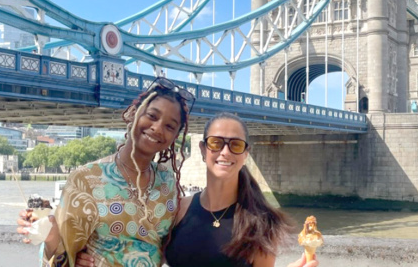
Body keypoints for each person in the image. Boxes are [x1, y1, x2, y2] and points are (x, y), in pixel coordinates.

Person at [76, 112, 319, 267]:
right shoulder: (177, 209)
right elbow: (143, 259)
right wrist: (96, 259)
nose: (225, 152)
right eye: (216, 143)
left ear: (246, 154)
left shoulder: (262, 223)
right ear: (203, 150)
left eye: (235, 145)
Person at [17, 77, 194, 267]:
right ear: (133, 114)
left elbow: (169, 247)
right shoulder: (87, 179)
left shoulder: (167, 181)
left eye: (169, 126)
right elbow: (63, 252)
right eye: (151, 116)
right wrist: (51, 236)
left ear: (175, 136)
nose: (157, 128)